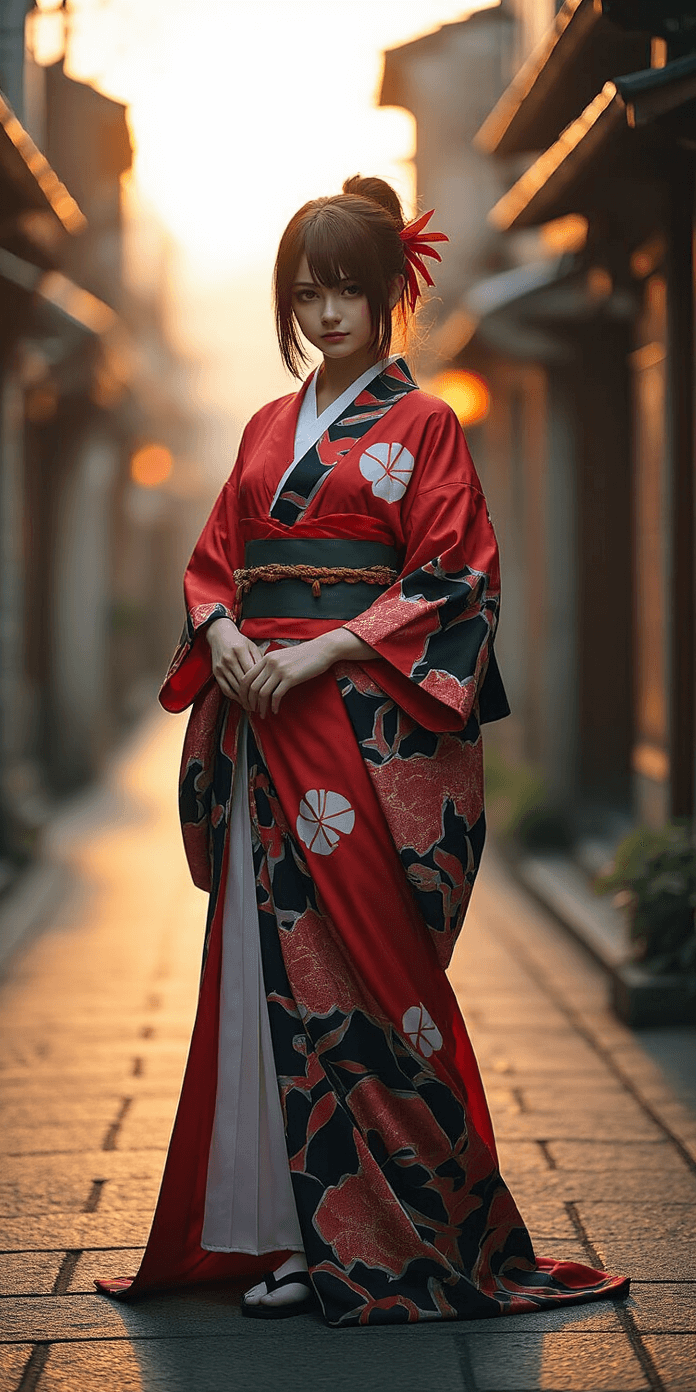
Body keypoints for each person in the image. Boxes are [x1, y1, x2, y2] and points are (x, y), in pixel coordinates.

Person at [95, 176, 628, 1325]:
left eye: (348, 289)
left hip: (357, 738)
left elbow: (452, 577)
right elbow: (211, 561)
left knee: (364, 987)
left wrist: (320, 651)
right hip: (259, 728)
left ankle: (389, 1236)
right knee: (262, 974)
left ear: (392, 293)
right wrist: (231, 634)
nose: (327, 312)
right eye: (307, 291)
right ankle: (279, 1232)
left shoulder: (423, 424)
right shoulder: (260, 430)